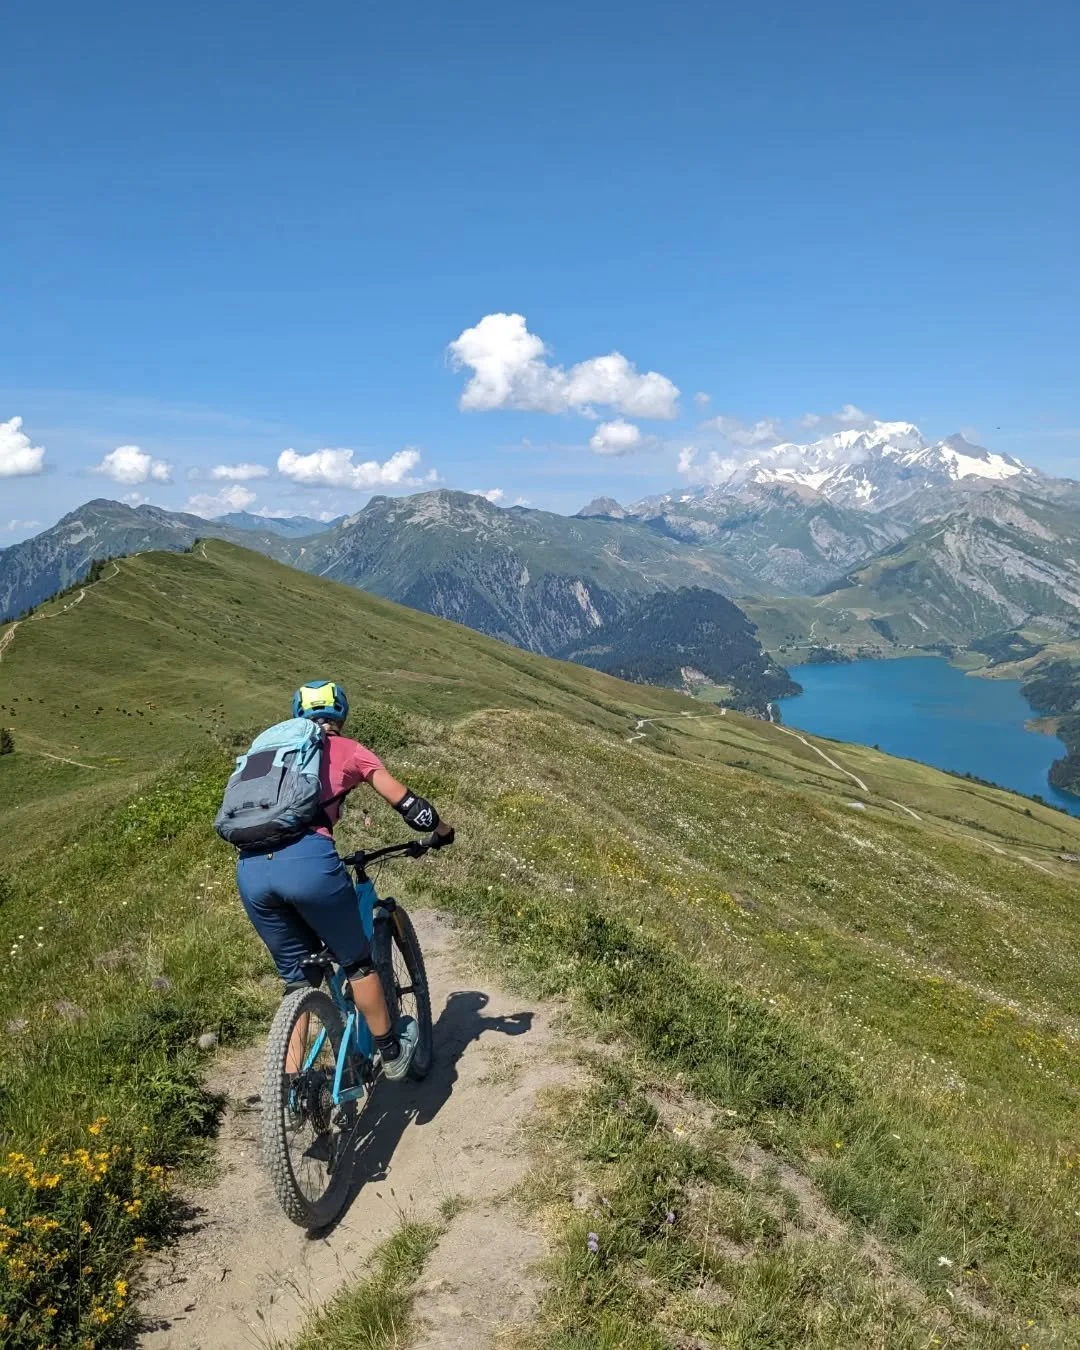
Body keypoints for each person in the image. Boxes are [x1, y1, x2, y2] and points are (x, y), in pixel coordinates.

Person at [235, 680, 454, 1079]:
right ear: (341, 715)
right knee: (357, 961)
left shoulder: (268, 754)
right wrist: (440, 832)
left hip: (250, 870)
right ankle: (391, 1052)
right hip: (307, 863)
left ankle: (288, 1090)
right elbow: (408, 805)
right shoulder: (349, 750)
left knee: (298, 981)